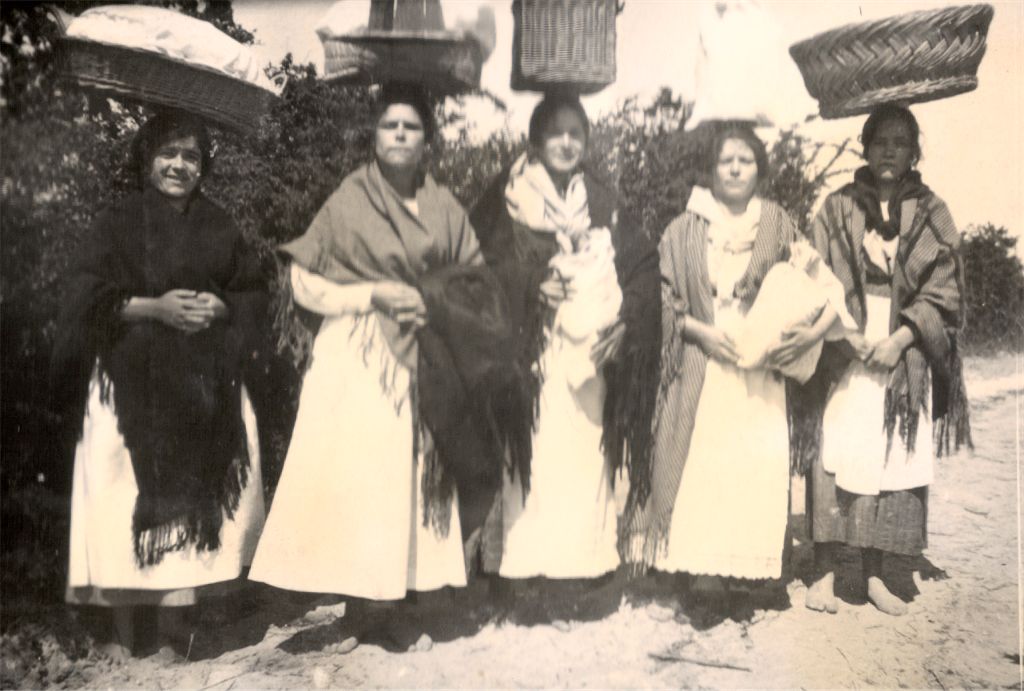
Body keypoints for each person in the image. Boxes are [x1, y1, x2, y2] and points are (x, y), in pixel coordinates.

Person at [248, 83, 483, 646]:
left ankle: (405, 604)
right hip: (355, 360)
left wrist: (433, 302)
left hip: (423, 356)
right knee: (361, 478)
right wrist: (372, 293)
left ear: (428, 141)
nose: (400, 135)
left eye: (411, 126)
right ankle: (360, 608)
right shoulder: (348, 199)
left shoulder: (444, 207)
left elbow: (475, 284)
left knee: (412, 477)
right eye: (389, 125)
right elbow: (303, 282)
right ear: (373, 137)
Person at [51, 112, 268, 660]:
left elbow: (252, 292)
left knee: (193, 493)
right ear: (146, 159)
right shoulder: (117, 222)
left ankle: (175, 626)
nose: (178, 165)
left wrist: (220, 306)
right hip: (131, 382)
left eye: (190, 156)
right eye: (167, 153)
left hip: (201, 382)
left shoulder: (219, 225)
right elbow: (84, 296)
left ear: (203, 166)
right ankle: (126, 631)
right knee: (120, 492)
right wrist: (155, 308)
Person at [636, 123, 836, 609]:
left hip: (758, 360)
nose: (734, 169)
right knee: (705, 461)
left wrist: (806, 331)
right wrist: (700, 331)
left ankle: (745, 569)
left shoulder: (777, 222)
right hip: (703, 358)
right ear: (710, 169)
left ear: (759, 169)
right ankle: (704, 573)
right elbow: (661, 296)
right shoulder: (684, 227)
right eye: (725, 160)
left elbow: (816, 281)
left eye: (745, 160)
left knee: (752, 462)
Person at [469, 93, 660, 592]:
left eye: (576, 133)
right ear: (535, 141)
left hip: (586, 357)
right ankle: (521, 574)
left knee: (581, 456)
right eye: (555, 132)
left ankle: (581, 571)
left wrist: (627, 323)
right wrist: (530, 286)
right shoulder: (505, 198)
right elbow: (474, 267)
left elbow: (642, 266)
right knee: (530, 456)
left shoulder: (600, 200)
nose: (566, 142)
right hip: (527, 355)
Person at [799, 104, 970, 616]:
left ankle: (873, 575)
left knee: (887, 457)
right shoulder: (837, 207)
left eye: (900, 142)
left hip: (903, 346)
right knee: (837, 448)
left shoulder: (933, 210)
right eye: (880, 141)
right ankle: (825, 574)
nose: (889, 151)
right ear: (866, 148)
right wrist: (845, 335)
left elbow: (946, 288)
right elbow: (812, 272)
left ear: (914, 152)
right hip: (844, 345)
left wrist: (900, 339)